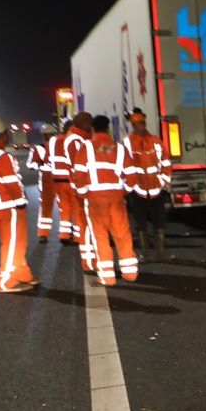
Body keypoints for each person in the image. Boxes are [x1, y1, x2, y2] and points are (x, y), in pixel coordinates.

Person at [0, 117, 38, 293]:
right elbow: (12, 183)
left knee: (14, 242)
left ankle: (22, 274)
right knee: (12, 244)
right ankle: (6, 281)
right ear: (3, 135)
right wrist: (20, 203)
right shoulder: (1, 156)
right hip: (7, 206)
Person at [81, 115, 138, 286]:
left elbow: (77, 175)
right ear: (108, 129)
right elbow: (132, 176)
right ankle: (130, 273)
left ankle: (107, 276)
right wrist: (123, 192)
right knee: (122, 234)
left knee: (100, 237)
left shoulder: (86, 148)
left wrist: (84, 193)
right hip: (116, 198)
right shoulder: (119, 149)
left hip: (95, 199)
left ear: (92, 128)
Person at [122, 109, 172, 260]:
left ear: (144, 124)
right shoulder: (127, 143)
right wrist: (129, 187)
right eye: (136, 124)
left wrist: (164, 182)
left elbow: (165, 162)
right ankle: (144, 253)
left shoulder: (156, 141)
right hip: (138, 191)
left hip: (156, 189)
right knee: (140, 223)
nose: (139, 127)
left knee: (159, 223)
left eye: (141, 124)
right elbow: (124, 166)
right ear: (132, 125)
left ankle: (161, 252)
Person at [65, 112, 97, 274]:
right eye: (89, 123)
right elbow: (83, 167)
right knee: (86, 225)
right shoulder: (77, 141)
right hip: (83, 190)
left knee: (87, 225)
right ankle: (89, 262)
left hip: (81, 188)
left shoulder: (76, 138)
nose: (91, 126)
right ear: (84, 124)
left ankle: (91, 260)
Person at [26, 123, 58, 242]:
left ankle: (43, 234)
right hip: (58, 178)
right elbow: (30, 164)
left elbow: (30, 165)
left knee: (45, 208)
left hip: (46, 179)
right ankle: (69, 233)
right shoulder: (59, 146)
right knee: (66, 206)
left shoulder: (38, 148)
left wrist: (39, 163)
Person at [48, 119, 76, 244]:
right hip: (70, 180)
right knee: (76, 209)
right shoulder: (72, 141)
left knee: (64, 210)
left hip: (57, 180)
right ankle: (78, 237)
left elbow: (48, 159)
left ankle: (64, 235)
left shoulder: (53, 141)